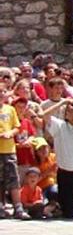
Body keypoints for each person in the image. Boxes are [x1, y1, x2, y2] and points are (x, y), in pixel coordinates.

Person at [0, 86, 29, 220]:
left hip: (8, 149)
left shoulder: (10, 109)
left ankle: (18, 207)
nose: (1, 94)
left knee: (13, 179)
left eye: (3, 92)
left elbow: (17, 127)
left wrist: (10, 133)